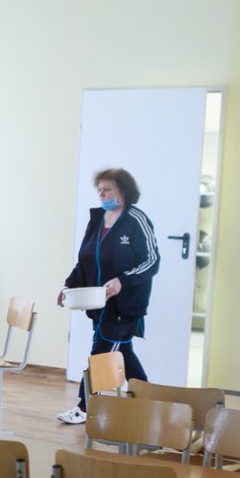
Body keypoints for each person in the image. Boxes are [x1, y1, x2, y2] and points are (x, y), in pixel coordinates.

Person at [56, 167, 159, 425]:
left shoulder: (136, 220)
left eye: (107, 189)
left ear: (123, 191)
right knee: (123, 352)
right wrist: (68, 285)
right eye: (99, 190)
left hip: (125, 305)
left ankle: (84, 407)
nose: (102, 194)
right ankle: (150, 402)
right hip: (98, 302)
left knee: (101, 353)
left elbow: (152, 261)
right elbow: (85, 261)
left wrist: (123, 281)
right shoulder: (97, 219)